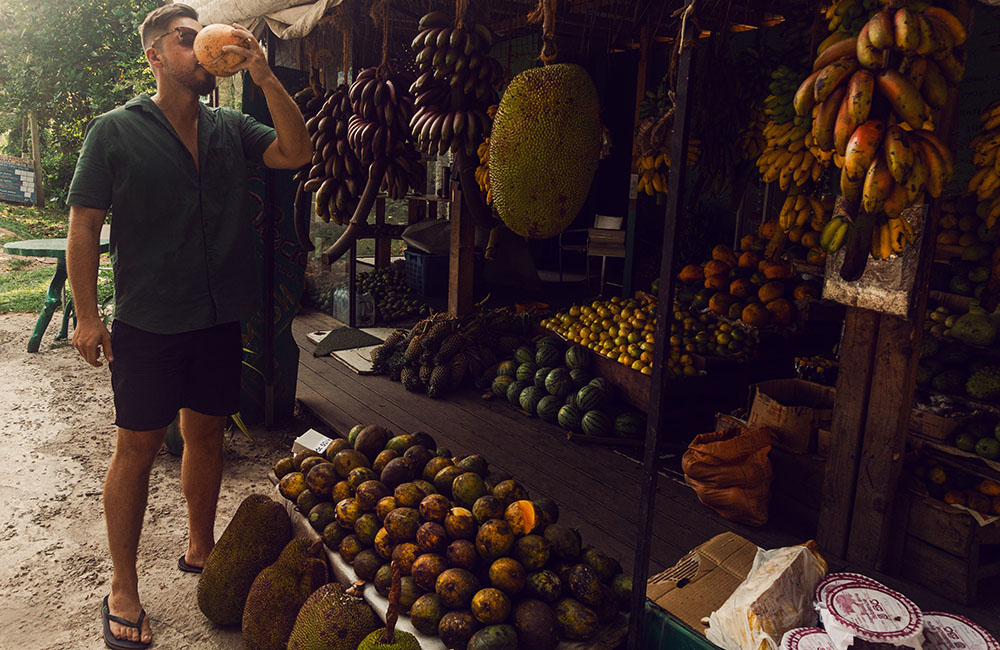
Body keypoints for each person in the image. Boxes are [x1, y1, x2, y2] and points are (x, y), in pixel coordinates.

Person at [65, 4, 311, 648]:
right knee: (137, 450)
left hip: (217, 316)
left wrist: (263, 73)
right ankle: (123, 586)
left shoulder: (231, 126)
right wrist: (87, 315)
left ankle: (200, 546)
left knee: (205, 437)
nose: (207, 46)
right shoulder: (114, 131)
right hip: (148, 320)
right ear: (156, 55)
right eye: (187, 38)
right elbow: (84, 224)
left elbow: (297, 150)